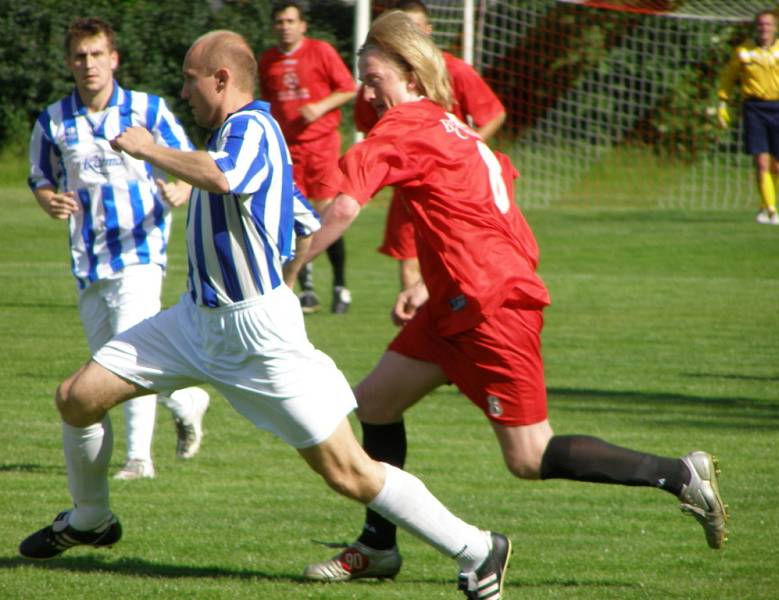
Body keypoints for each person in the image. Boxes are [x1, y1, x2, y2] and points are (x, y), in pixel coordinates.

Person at [18, 29, 512, 600]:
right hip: (192, 322)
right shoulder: (231, 133)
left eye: (189, 78)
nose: (184, 90)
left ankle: (478, 549)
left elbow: (224, 176)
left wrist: (148, 147)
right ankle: (90, 519)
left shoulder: (253, 125)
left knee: (348, 472)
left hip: (257, 336)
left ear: (221, 79)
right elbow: (292, 211)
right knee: (77, 397)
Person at [301, 10, 730, 583]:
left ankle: (680, 475)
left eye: (374, 77)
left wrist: (289, 269)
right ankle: (379, 545)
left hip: (489, 310)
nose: (366, 89)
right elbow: (494, 222)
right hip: (457, 303)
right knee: (376, 403)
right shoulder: (453, 129)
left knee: (528, 457)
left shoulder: (404, 129)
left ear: (412, 75)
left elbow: (346, 206)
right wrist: (431, 283)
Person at [27, 17, 209, 481]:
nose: (89, 65)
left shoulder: (146, 110)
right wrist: (51, 200)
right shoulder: (54, 120)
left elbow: (190, 161)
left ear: (114, 59)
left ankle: (138, 460)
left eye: (97, 55)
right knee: (110, 365)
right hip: (89, 259)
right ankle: (186, 398)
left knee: (129, 355)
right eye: (80, 56)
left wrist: (180, 191)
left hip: (141, 253)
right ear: (70, 62)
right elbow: (40, 175)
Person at [354, 0, 507, 292]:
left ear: (428, 30)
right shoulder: (382, 83)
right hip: (409, 185)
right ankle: (416, 318)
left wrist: (465, 151)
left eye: (413, 28)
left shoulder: (456, 70)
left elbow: (494, 113)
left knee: (453, 258)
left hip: (452, 189)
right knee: (410, 258)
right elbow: (370, 127)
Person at [258, 0, 356, 313]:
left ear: (302, 25)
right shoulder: (268, 60)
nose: (285, 26)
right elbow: (267, 100)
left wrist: (321, 106)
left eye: (291, 21)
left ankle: (340, 286)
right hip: (288, 149)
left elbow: (348, 88)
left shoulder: (321, 51)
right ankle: (306, 290)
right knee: (292, 217)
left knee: (325, 214)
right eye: (280, 22)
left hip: (322, 144)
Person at [717, 9, 779, 226]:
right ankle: (772, 210)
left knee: (777, 164)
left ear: (775, 28)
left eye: (768, 25)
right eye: (761, 24)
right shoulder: (744, 51)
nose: (764, 28)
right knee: (761, 161)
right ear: (756, 27)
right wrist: (722, 103)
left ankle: (765, 205)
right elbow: (728, 77)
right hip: (754, 107)